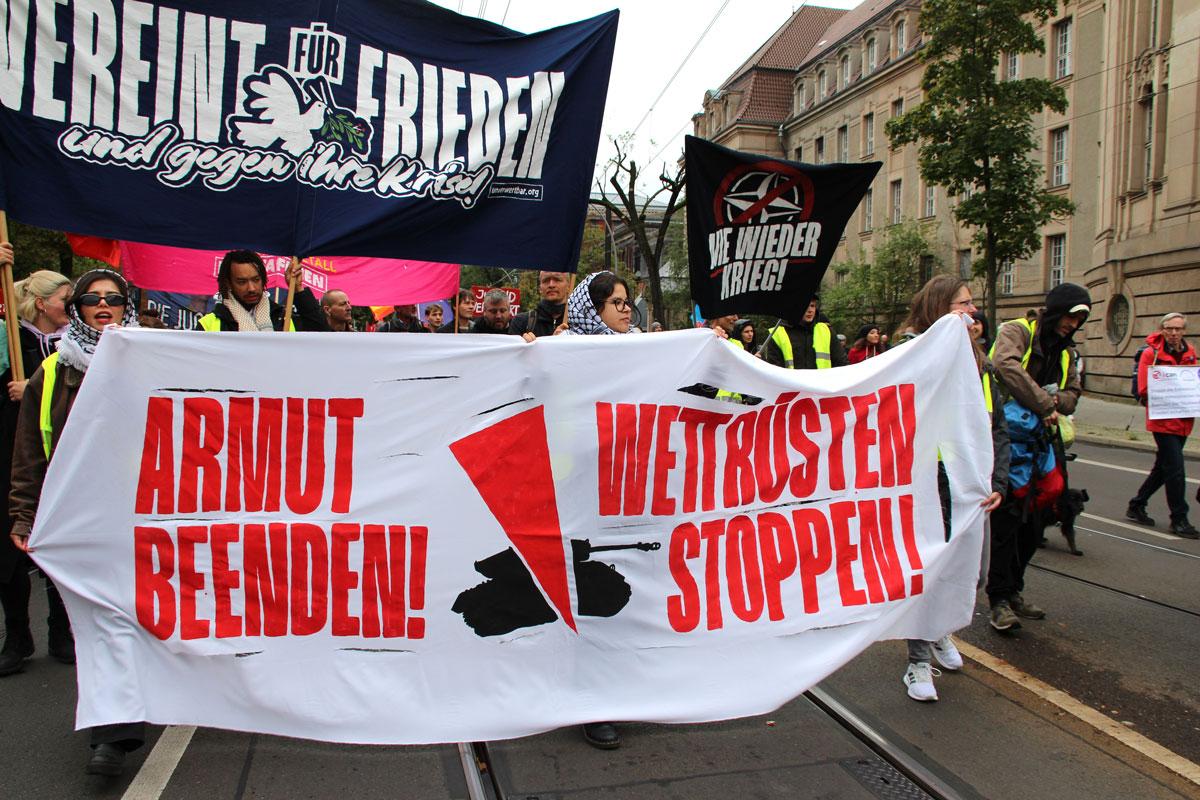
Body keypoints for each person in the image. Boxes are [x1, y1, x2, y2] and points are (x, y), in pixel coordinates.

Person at [9, 269, 146, 775]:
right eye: (91, 298)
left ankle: (148, 702)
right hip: (82, 517)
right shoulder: (51, 373)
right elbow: (29, 454)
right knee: (103, 624)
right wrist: (24, 514)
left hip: (141, 514)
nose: (102, 305)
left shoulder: (150, 360)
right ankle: (111, 736)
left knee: (138, 619)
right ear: (77, 309)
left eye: (114, 298)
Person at [893, 276, 1007, 702]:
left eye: (973, 303)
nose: (971, 312)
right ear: (940, 308)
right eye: (963, 304)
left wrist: (997, 482)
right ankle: (918, 661)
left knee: (972, 572)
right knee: (930, 571)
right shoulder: (909, 354)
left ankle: (941, 630)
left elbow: (996, 426)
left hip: (970, 486)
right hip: (927, 484)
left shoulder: (980, 363)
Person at [986, 282, 1089, 631]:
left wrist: (1056, 402)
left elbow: (1074, 391)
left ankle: (1014, 590)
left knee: (1036, 521)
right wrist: (1045, 403)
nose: (1072, 326)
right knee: (1006, 521)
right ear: (1056, 310)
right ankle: (998, 599)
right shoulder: (1018, 330)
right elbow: (1005, 365)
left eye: (1078, 322)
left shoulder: (1066, 351)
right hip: (1009, 442)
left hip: (1042, 445)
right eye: (1070, 317)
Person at [0, 258, 74, 677]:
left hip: (58, 459)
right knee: (11, 550)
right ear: (43, 303)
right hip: (14, 451)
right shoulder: (9, 340)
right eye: (66, 299)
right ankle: (17, 635)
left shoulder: (74, 348)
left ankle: (61, 631)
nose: (72, 305)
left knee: (58, 545)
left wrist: (33, 385)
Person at [1127, 313, 1199, 537]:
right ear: (1162, 329)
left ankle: (1137, 504)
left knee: (1164, 468)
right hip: (1162, 420)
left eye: (1178, 329)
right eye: (1170, 329)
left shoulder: (1190, 353)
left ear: (1184, 331)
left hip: (1184, 419)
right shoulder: (1151, 353)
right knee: (1175, 469)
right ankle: (1179, 518)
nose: (1174, 333)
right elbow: (1143, 389)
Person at [196, 251, 325, 331]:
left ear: (263, 280)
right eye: (242, 282)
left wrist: (298, 289)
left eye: (256, 280)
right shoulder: (208, 325)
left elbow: (321, 334)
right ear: (228, 284)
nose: (251, 288)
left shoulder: (284, 318)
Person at [761, 294, 848, 369]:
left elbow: (842, 363)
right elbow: (774, 370)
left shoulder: (826, 330)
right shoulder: (777, 334)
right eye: (805, 305)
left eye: (812, 306)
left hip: (821, 386)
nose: (810, 310)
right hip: (792, 387)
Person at [509, 270, 570, 337]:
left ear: (568, 286)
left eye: (557, 279)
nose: (551, 285)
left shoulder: (578, 323)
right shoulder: (520, 322)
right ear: (540, 288)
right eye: (546, 280)